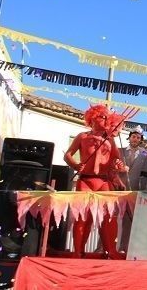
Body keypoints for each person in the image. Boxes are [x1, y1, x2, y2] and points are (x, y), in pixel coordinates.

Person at [63, 104, 128, 259]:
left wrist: (118, 165)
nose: (105, 119)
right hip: (85, 181)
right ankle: (78, 251)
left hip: (104, 181)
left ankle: (110, 250)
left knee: (108, 216)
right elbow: (67, 155)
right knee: (83, 217)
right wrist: (76, 165)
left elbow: (116, 160)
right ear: (92, 118)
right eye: (102, 116)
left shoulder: (110, 140)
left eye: (106, 117)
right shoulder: (82, 137)